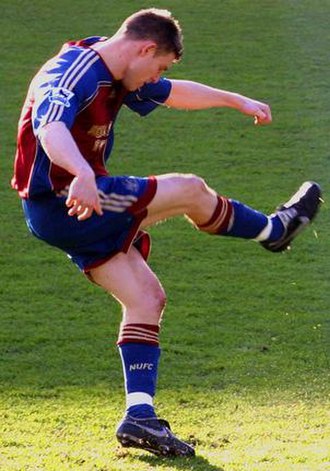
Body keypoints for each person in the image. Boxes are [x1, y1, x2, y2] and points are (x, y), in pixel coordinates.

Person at [12, 8, 321, 458]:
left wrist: (237, 100)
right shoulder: (72, 71)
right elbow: (49, 125)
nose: (154, 78)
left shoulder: (119, 69)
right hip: (68, 200)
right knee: (190, 190)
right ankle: (274, 231)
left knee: (146, 298)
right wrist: (80, 172)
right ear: (145, 48)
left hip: (73, 201)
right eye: (157, 66)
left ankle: (139, 417)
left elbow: (174, 93)